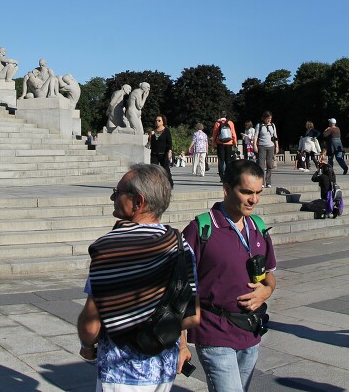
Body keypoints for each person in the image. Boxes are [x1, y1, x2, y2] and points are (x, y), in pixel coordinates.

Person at [77, 164, 199, 391]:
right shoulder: (180, 245)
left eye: (118, 191)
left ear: (138, 202)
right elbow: (192, 317)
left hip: (119, 374)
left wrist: (86, 345)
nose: (113, 196)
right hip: (163, 371)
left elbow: (91, 326)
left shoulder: (109, 249)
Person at [183, 160, 277, 392]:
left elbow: (270, 275)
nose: (253, 200)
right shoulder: (201, 229)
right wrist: (181, 343)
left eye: (258, 193)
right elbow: (179, 287)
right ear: (226, 189)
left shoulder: (258, 227)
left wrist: (267, 290)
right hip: (214, 331)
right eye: (246, 192)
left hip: (250, 331)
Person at [253, 112, 278, 189]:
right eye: (268, 118)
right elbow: (256, 136)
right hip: (262, 146)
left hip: (271, 146)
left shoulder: (273, 125)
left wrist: (277, 146)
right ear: (264, 118)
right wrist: (255, 145)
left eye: (270, 118)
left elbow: (275, 136)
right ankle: (261, 182)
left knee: (269, 164)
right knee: (261, 165)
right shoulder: (259, 125)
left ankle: (268, 182)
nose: (269, 120)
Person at [148, 115, 174, 186]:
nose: (157, 122)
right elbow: (149, 143)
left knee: (165, 169)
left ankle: (169, 183)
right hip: (154, 153)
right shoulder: (153, 131)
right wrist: (150, 136)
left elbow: (169, 142)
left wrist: (170, 151)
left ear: (163, 122)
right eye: (156, 120)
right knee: (153, 169)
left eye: (159, 120)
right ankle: (154, 184)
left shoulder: (166, 131)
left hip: (163, 153)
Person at [213, 117, 237, 182]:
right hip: (229, 143)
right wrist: (235, 143)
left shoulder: (217, 123)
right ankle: (228, 175)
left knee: (221, 160)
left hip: (220, 143)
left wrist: (213, 145)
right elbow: (233, 133)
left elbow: (214, 134)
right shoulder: (230, 123)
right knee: (228, 160)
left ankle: (222, 177)